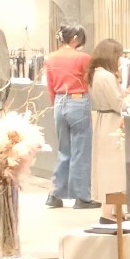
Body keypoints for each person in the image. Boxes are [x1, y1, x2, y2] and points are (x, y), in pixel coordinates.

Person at [44, 24, 96, 209]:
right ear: (75, 38)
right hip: (78, 100)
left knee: (63, 150)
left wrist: (57, 103)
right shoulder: (83, 58)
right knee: (81, 151)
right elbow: (89, 82)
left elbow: (50, 86)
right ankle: (82, 197)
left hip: (59, 102)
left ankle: (55, 194)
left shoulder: (51, 58)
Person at [87, 37, 128, 210]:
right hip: (112, 123)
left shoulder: (96, 75)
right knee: (114, 166)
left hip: (103, 122)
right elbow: (119, 104)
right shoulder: (107, 76)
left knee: (105, 166)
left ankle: (114, 210)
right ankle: (110, 211)